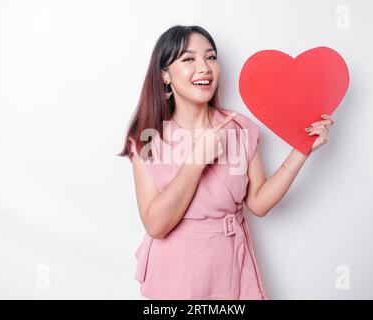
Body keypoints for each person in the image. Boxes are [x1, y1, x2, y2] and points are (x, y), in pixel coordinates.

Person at [117, 25, 335, 300]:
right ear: (164, 75)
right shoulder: (148, 138)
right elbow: (155, 225)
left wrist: (302, 150)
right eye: (188, 59)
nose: (204, 67)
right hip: (178, 273)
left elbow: (258, 203)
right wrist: (197, 160)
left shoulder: (240, 127)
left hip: (231, 266)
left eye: (210, 57)